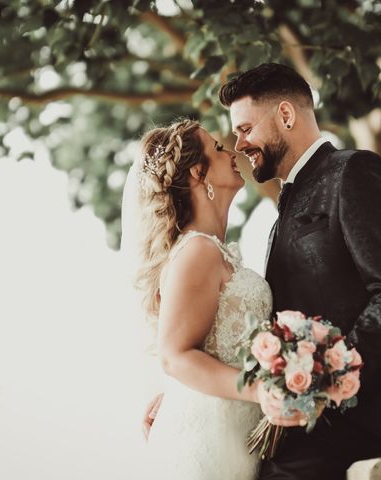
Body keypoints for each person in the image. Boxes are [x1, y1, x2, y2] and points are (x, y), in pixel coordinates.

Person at [144, 63, 381, 480]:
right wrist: (188, 396)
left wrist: (326, 378)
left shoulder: (353, 172)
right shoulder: (284, 208)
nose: (238, 143)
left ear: (285, 115)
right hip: (299, 422)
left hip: (357, 418)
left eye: (245, 128)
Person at [130, 119, 290, 479]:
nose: (232, 152)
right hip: (207, 442)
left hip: (231, 436)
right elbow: (175, 355)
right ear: (198, 174)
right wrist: (262, 390)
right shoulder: (198, 251)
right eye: (218, 149)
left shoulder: (212, 251)